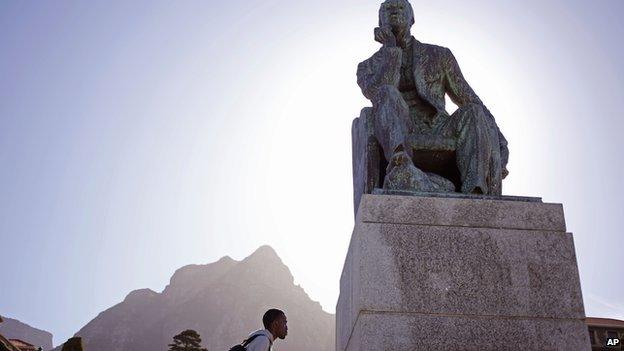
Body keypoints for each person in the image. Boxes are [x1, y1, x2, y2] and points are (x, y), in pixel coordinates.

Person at [357, 0, 509, 195]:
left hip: (438, 127)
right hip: (399, 128)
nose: (394, 10)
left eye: (400, 7)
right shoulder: (367, 67)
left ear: (412, 19)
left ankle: (475, 189)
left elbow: (469, 97)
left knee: (473, 111)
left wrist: (500, 139)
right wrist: (391, 50)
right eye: (387, 8)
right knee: (386, 92)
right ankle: (400, 162)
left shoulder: (439, 55)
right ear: (380, 21)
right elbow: (377, 93)